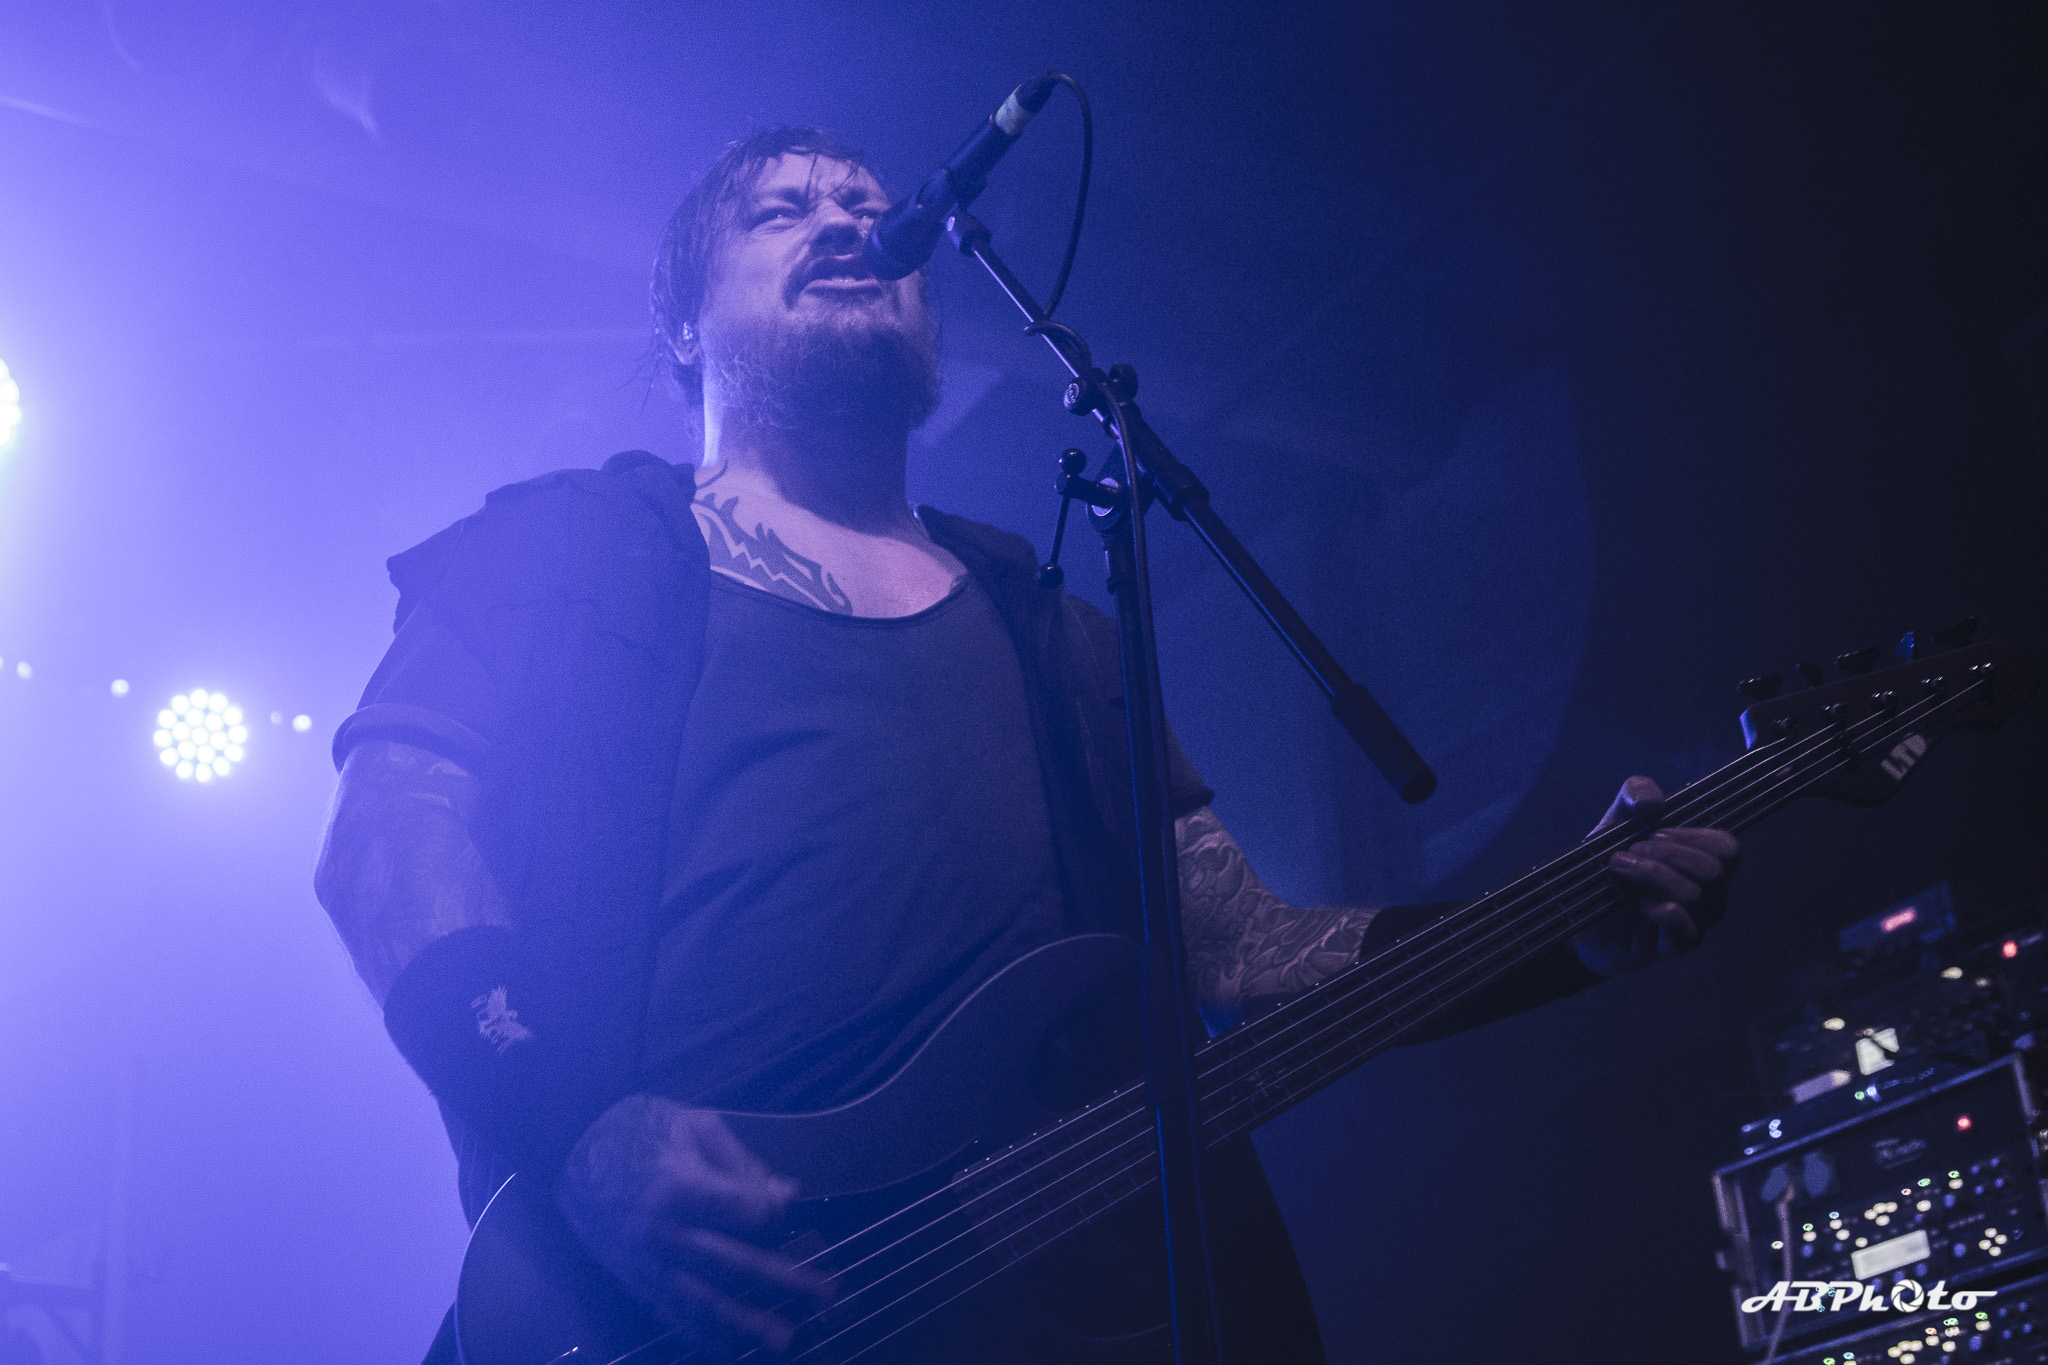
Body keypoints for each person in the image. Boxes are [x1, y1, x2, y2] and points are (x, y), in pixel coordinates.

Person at [314, 127, 1739, 1364]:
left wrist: (1560, 926)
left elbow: (1243, 953)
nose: (845, 223)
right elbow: (386, 841)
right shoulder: (574, 551)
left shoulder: (1050, 625)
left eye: (868, 207)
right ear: (683, 325)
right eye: (782, 211)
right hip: (667, 1305)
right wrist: (575, 1125)